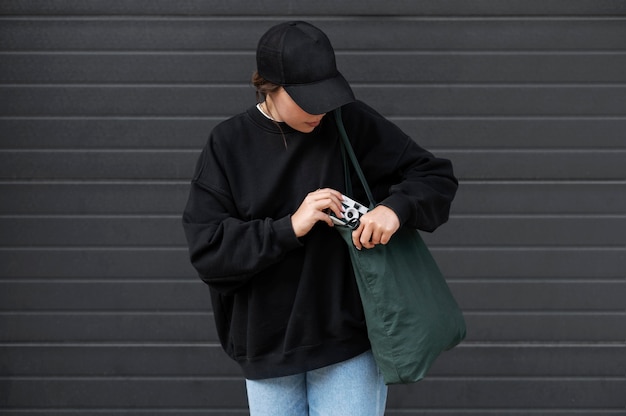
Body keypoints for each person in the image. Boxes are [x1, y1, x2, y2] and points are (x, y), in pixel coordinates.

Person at [182, 21, 458, 416]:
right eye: (309, 99)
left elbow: (434, 176)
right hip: (267, 351)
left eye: (328, 96)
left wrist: (394, 210)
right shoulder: (228, 144)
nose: (321, 109)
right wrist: (289, 227)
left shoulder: (347, 123)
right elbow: (209, 251)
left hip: (347, 344)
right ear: (269, 88)